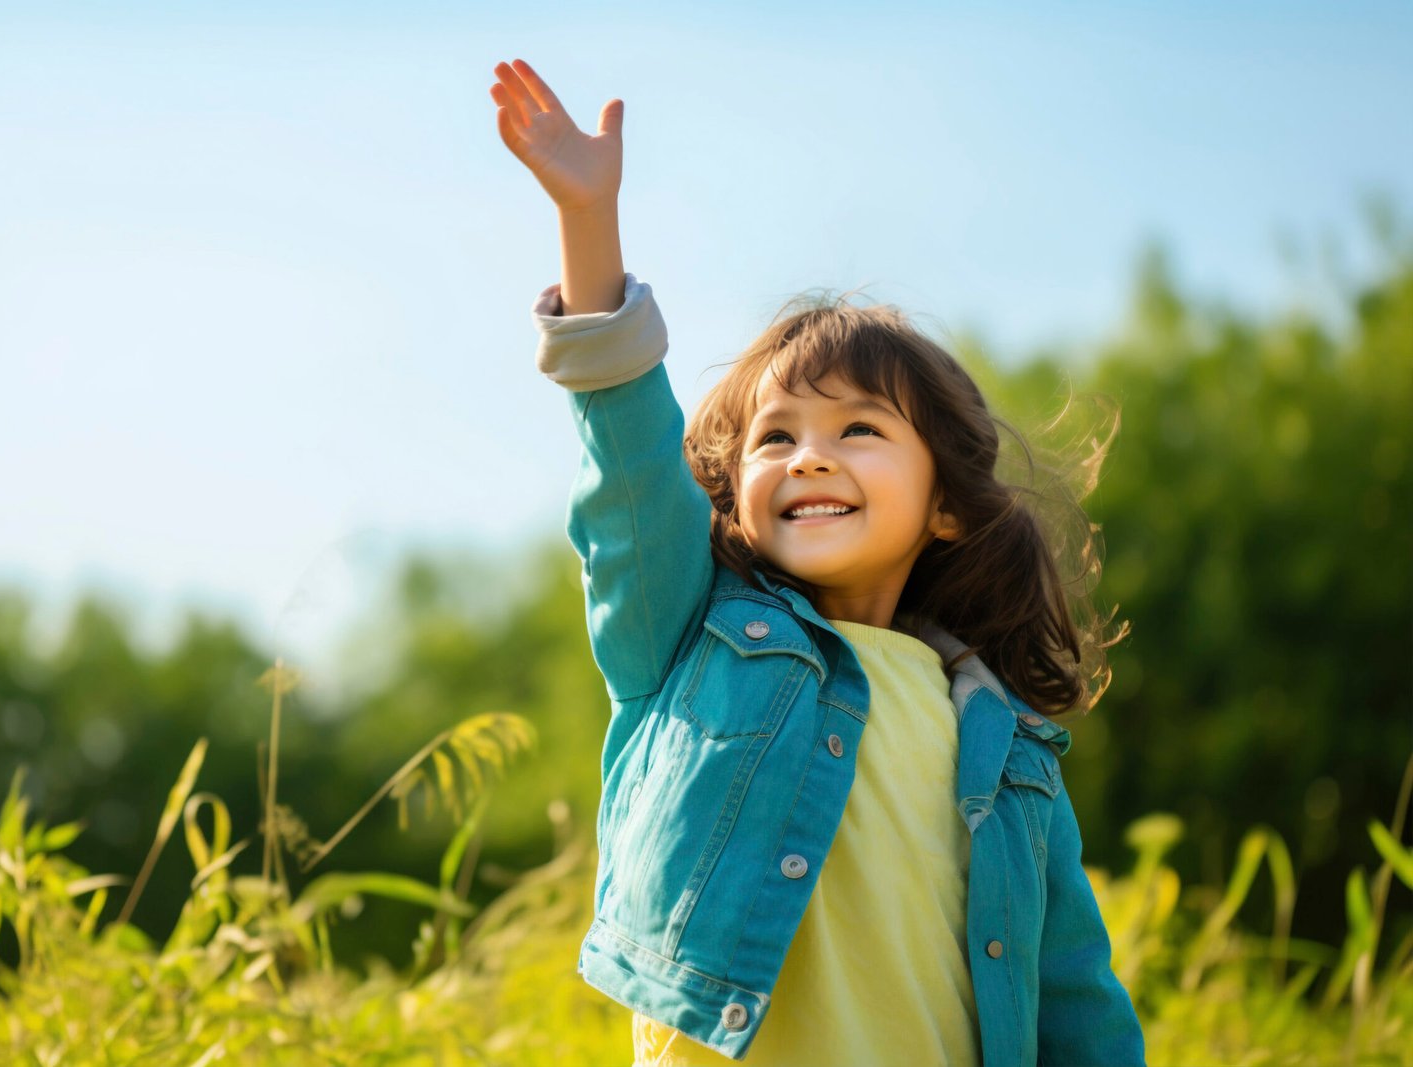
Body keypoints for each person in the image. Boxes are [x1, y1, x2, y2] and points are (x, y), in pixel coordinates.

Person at [488, 57, 1147, 1067]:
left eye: (860, 428)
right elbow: (625, 473)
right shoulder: (687, 636)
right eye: (774, 436)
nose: (808, 454)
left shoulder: (1005, 746)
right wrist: (589, 221)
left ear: (944, 508)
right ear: (735, 493)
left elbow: (1074, 994)